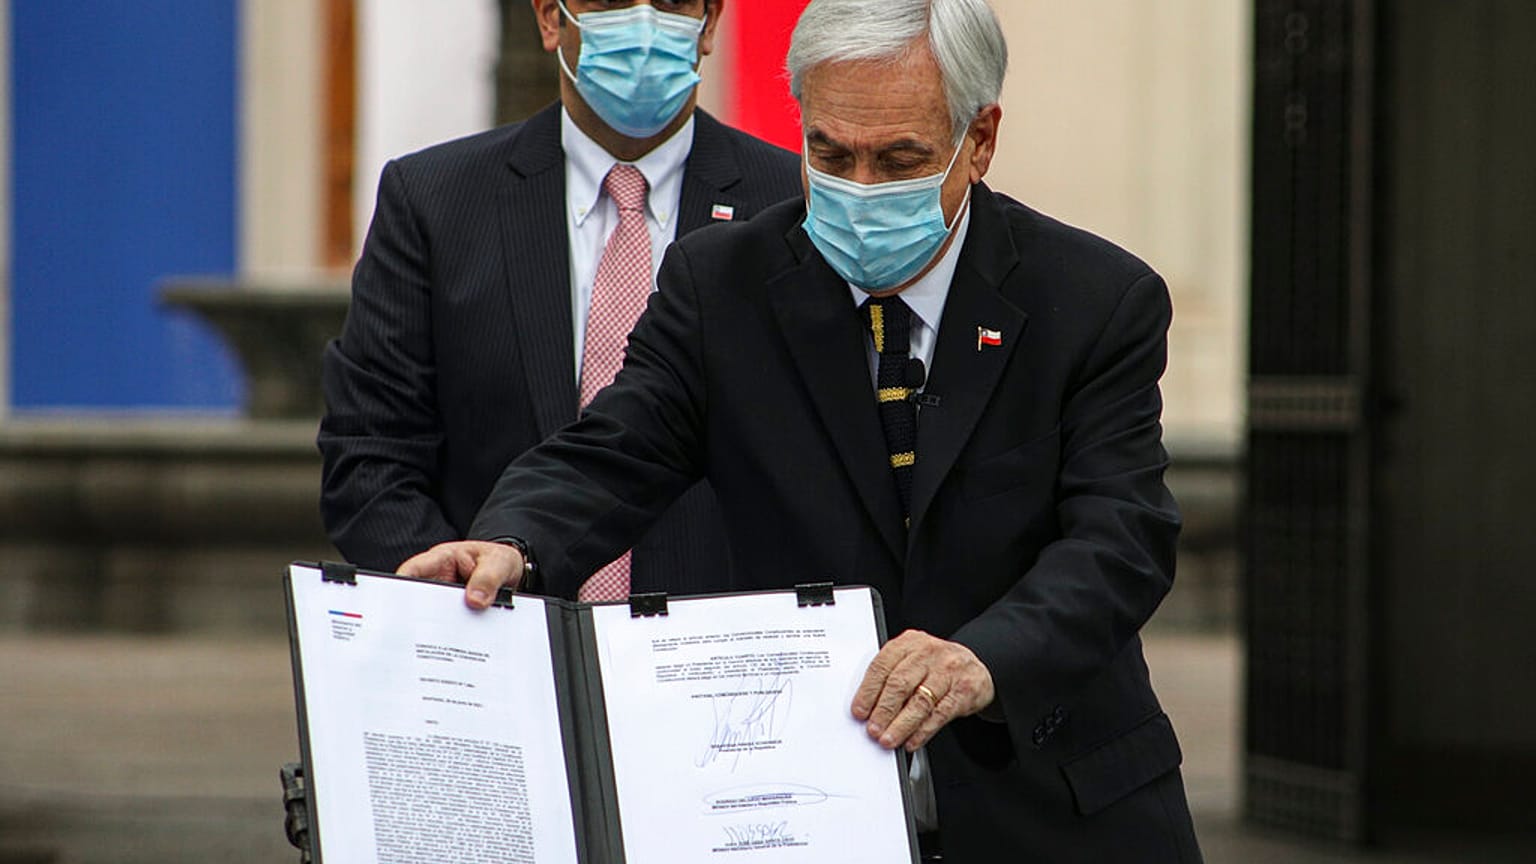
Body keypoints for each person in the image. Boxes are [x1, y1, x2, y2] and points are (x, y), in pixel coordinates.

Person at [398, 0, 1203, 860]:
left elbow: (1121, 540)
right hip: (805, 803)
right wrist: (510, 542)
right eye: (830, 154)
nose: (860, 190)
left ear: (980, 139)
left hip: (1053, 806)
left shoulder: (1094, 300)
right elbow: (615, 449)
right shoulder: (724, 285)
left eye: (899, 160)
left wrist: (983, 659)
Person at [318, 0, 802, 597]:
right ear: (551, 18)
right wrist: (462, 594)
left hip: (721, 661)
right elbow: (371, 453)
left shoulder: (792, 207)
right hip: (495, 644)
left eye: (673, 3)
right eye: (612, 2)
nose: (645, 25)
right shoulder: (434, 203)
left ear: (709, 23)